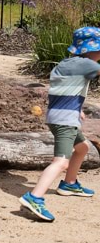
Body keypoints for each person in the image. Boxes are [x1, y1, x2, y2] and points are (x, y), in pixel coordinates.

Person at [21, 26, 100, 223]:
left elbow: (64, 89)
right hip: (65, 121)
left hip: (58, 115)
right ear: (92, 50)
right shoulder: (87, 65)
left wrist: (77, 108)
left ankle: (69, 183)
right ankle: (35, 197)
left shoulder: (64, 64)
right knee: (61, 162)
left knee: (81, 148)